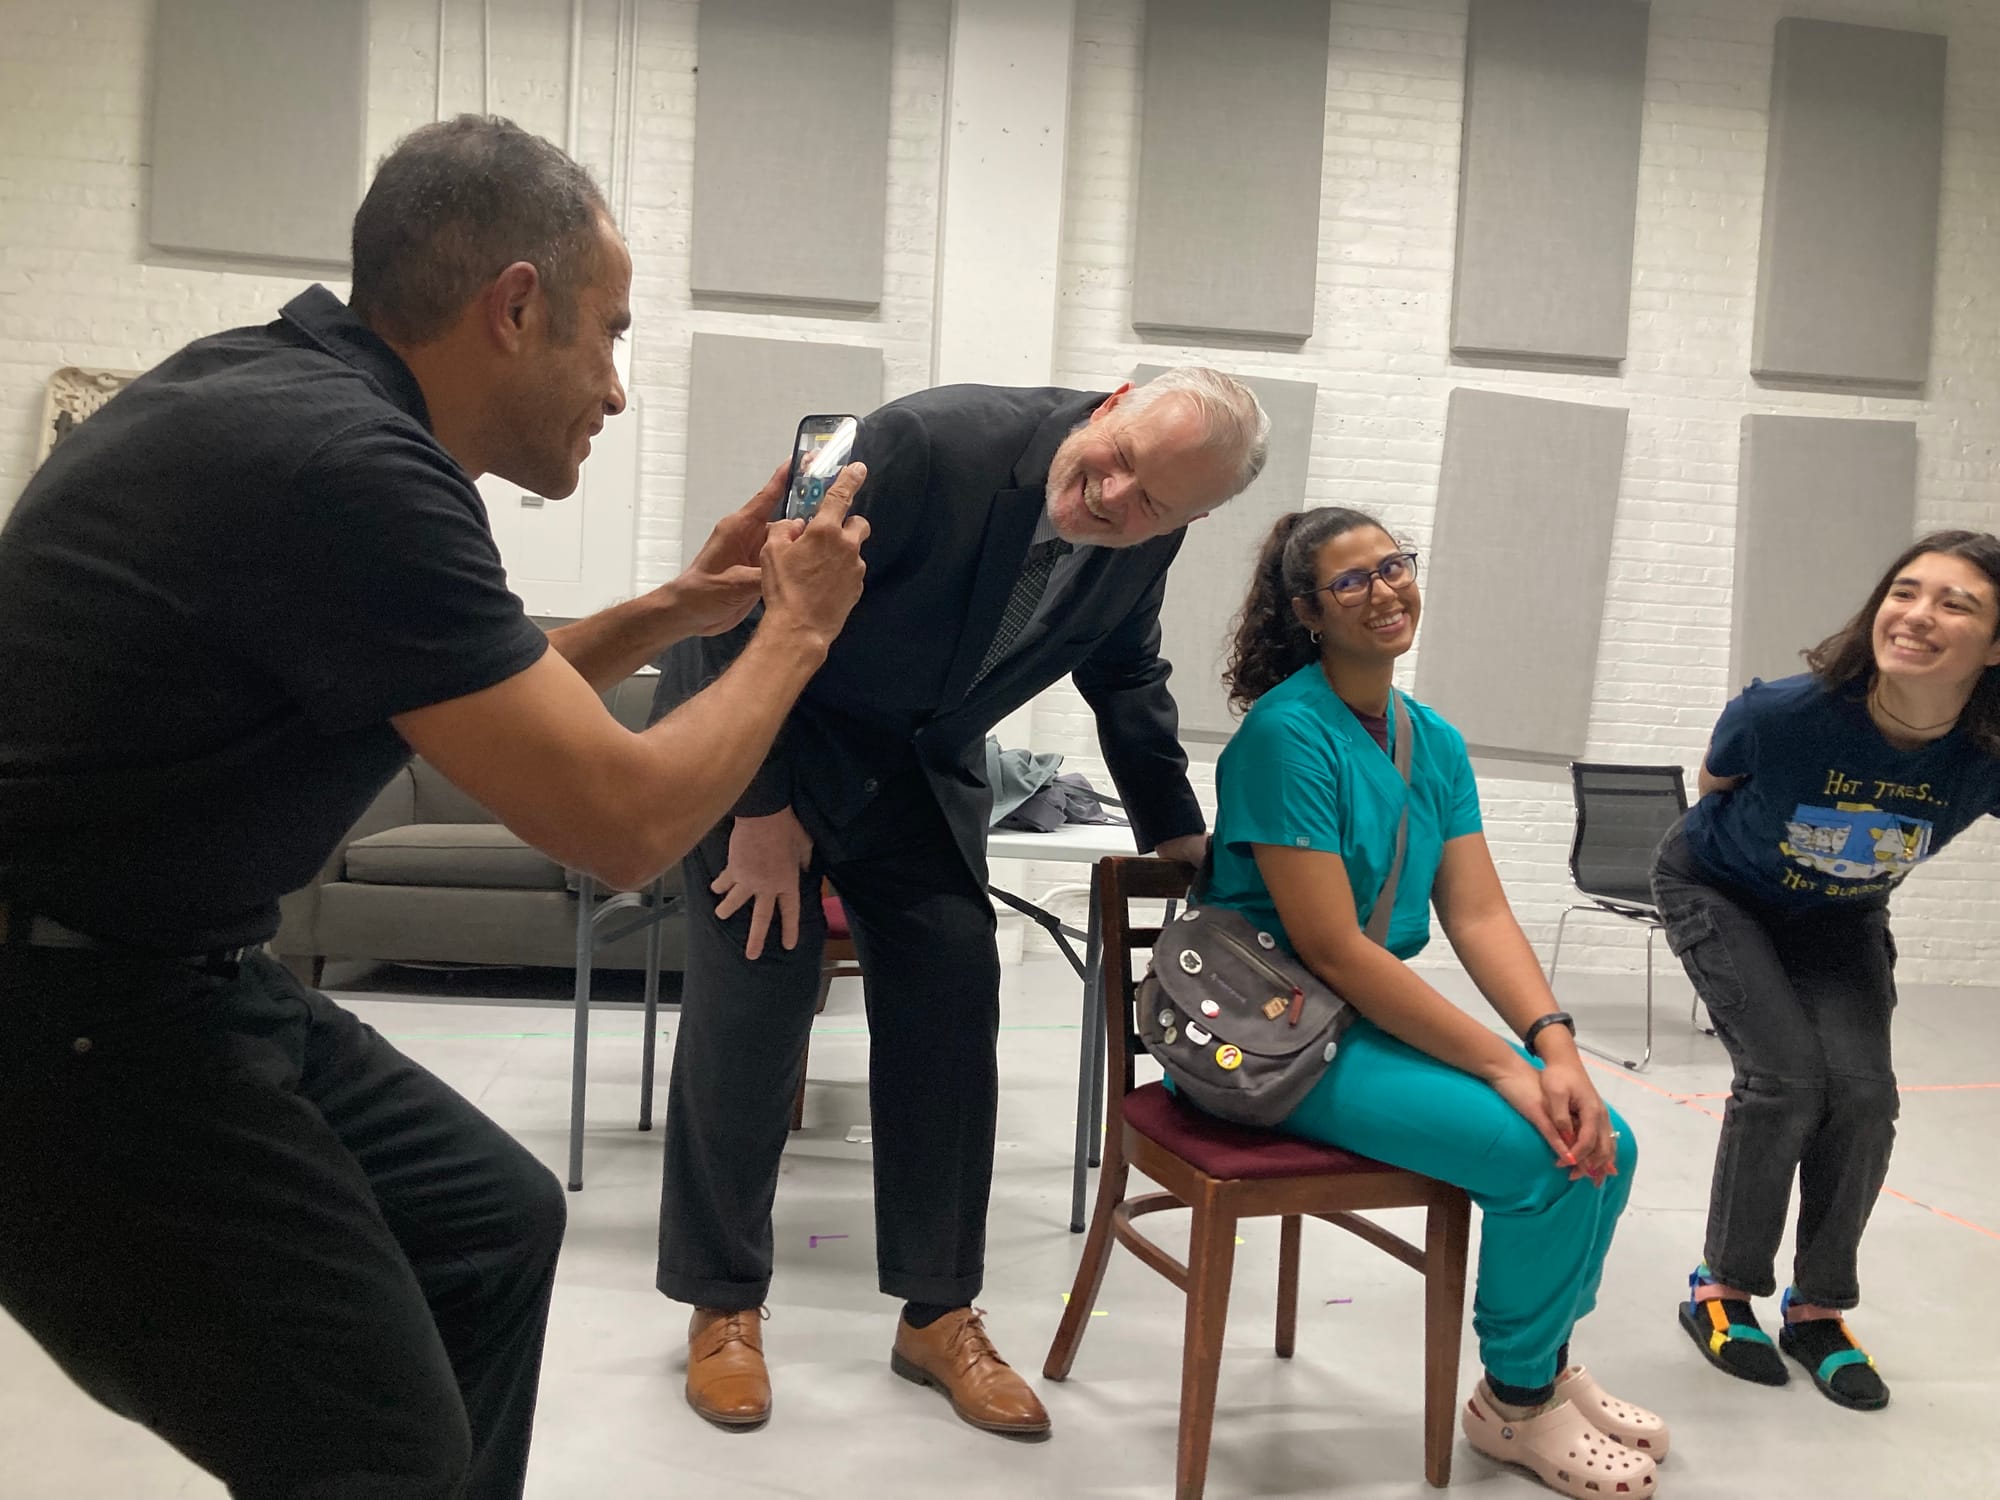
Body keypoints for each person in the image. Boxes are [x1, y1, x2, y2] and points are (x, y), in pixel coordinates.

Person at [0, 116, 868, 1499]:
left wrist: (681, 608)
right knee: (372, 1447)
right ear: (515, 308)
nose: (619, 390)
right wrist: (796, 635)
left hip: (171, 974)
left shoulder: (290, 394)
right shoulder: (349, 471)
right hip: (65, 1032)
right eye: (611, 335)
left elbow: (492, 724)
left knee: (489, 1223)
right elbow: (625, 823)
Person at [653, 368, 1267, 1436]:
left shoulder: (1145, 534)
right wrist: (760, 810)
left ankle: (936, 1313)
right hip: (763, 738)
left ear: (1195, 517)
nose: (1116, 498)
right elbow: (748, 600)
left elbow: (1124, 677)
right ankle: (723, 1304)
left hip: (911, 769)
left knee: (950, 993)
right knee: (754, 1003)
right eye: (1115, 460)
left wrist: (1178, 836)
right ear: (1110, 403)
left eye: (1156, 502)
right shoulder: (925, 446)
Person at [1195, 507, 1663, 1500]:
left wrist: (1553, 1046)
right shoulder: (1286, 736)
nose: (1384, 590)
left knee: (1600, 1137)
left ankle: (1540, 1357)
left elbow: (1479, 913)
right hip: (1271, 1041)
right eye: (1352, 580)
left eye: (1392, 566)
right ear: (1306, 613)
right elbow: (1326, 946)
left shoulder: (1432, 741)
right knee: (1549, 1155)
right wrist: (1503, 1066)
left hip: (1362, 1023)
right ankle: (1515, 1404)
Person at [1653, 530, 2000, 1414]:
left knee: (1865, 1095)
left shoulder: (1986, 750)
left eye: (1955, 603)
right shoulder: (1783, 713)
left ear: (1996, 646)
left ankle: (1817, 1311)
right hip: (1720, 890)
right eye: (1905, 591)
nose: (1918, 615)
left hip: (1840, 916)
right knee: (1783, 1082)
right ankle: (1721, 1290)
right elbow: (1714, 786)